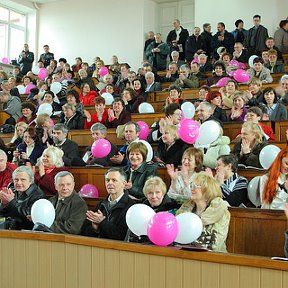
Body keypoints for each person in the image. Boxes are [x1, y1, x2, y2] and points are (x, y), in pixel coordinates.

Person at [176, 172, 230, 252]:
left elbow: (216, 244)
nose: (192, 188)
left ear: (208, 190)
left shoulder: (220, 211)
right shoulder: (185, 209)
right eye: (192, 185)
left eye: (196, 186)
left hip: (213, 258)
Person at [82, 167, 135, 240]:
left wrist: (102, 222)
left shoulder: (131, 206)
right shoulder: (100, 204)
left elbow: (121, 236)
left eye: (114, 180)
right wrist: (95, 229)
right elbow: (84, 232)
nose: (110, 183)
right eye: (107, 180)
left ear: (124, 184)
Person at [126, 176, 180, 243]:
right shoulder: (141, 208)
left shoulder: (172, 208)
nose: (154, 196)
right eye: (150, 193)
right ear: (146, 195)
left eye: (157, 192)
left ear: (163, 193)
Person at [0, 166, 45, 230]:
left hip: (25, 230)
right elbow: (2, 214)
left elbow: (27, 217)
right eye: (16, 179)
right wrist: (3, 204)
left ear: (31, 181)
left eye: (23, 179)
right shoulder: (12, 189)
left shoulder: (38, 195)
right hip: (9, 226)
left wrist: (11, 201)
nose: (19, 183)